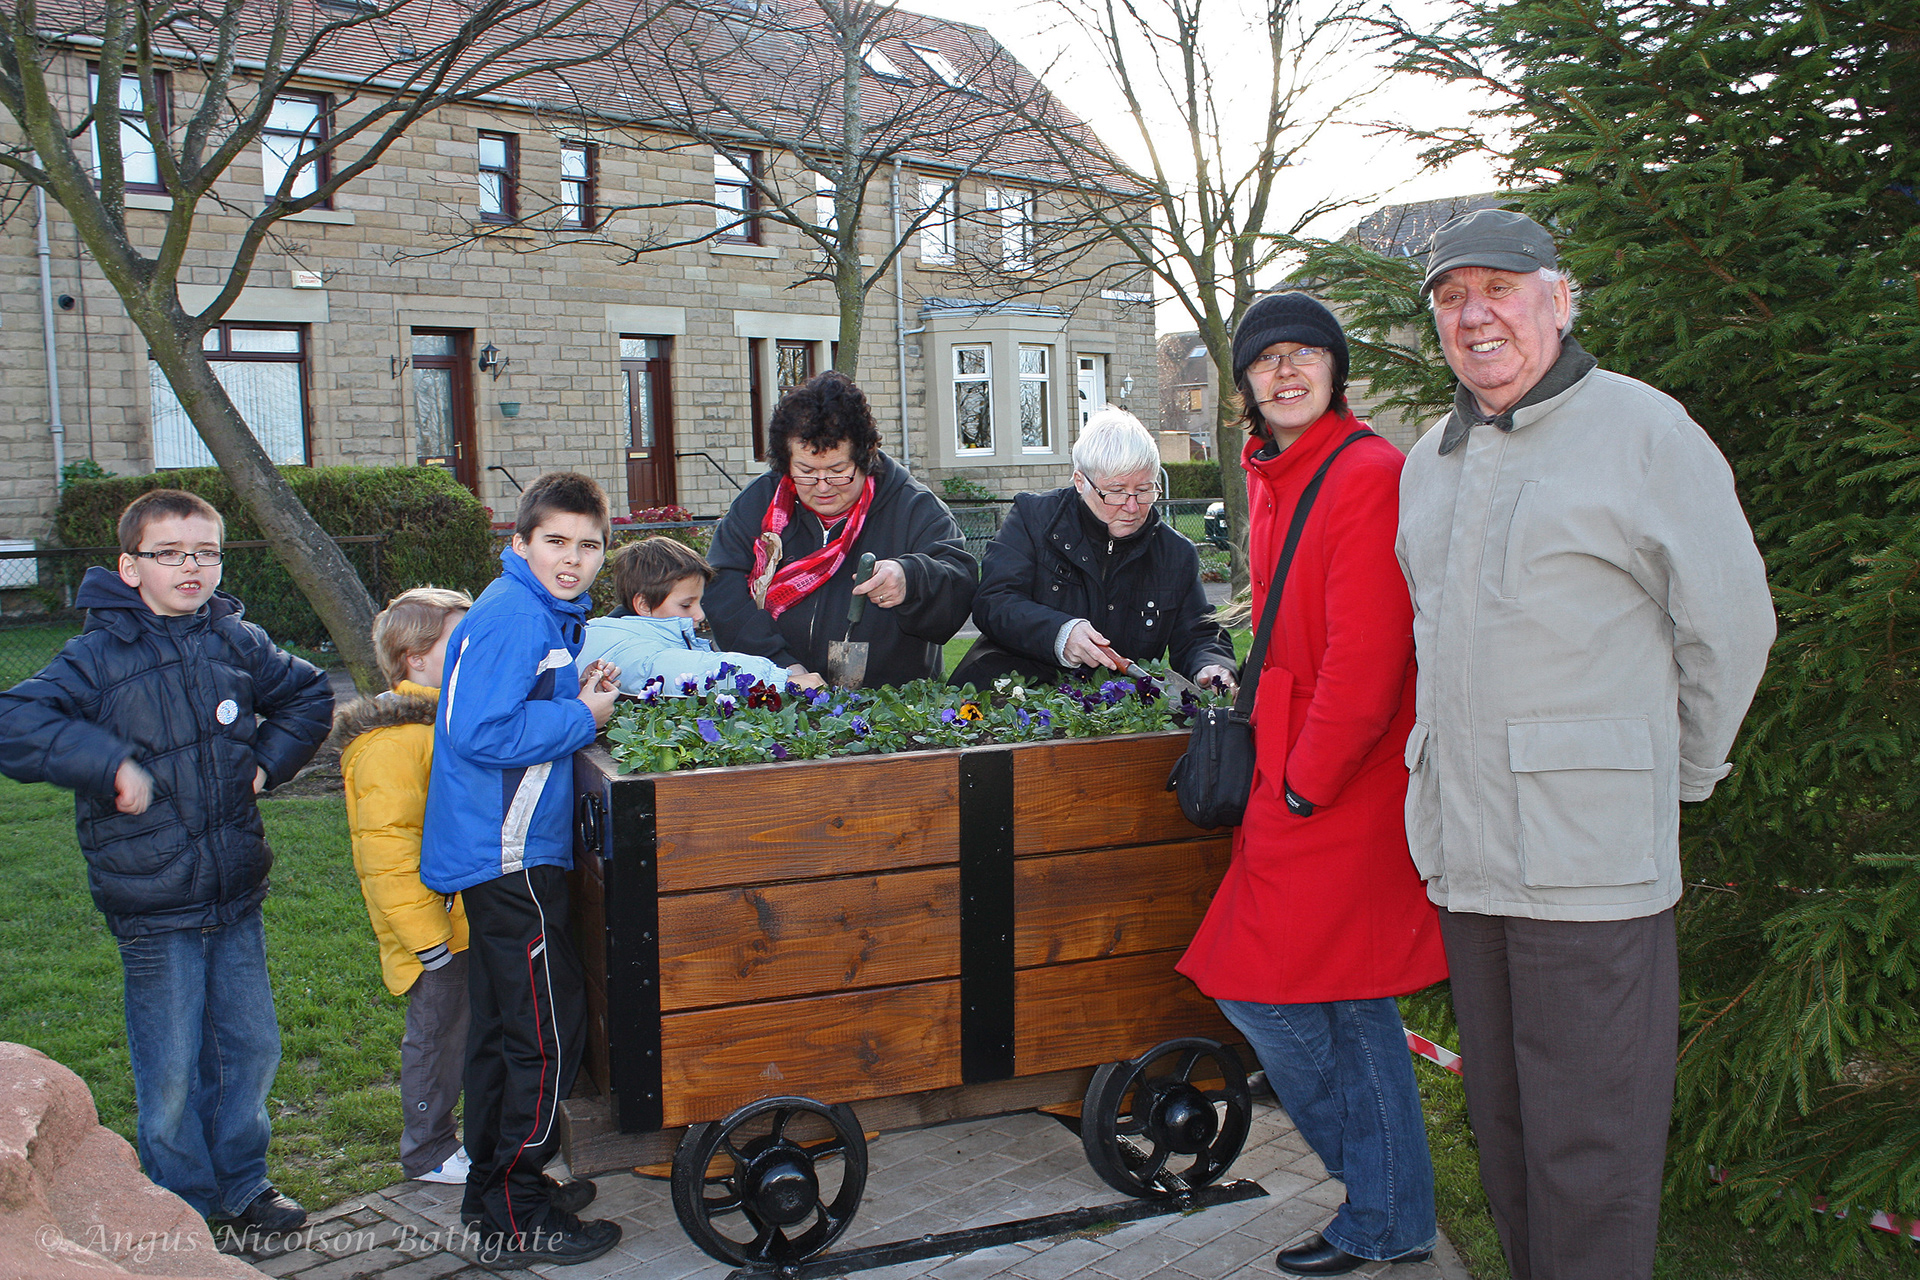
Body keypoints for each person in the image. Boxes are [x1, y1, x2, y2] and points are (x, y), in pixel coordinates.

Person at [1399, 209, 1775, 1280]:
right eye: (1452, 295)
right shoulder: (1429, 460)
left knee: (1593, 1151)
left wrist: (1680, 771)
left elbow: (1733, 625)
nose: (1476, 314)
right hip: (1472, 862)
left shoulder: (1647, 432)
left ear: (1558, 300)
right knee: (1509, 1135)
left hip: (1590, 870)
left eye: (1501, 288)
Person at [1177, 293, 1448, 1276]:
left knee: (1282, 990)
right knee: (1340, 999)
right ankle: (1391, 1212)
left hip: (1336, 778)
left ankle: (1384, 1207)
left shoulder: (1365, 471)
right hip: (1296, 764)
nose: (1287, 371)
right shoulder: (1275, 472)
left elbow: (1369, 657)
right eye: (1267, 359)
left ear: (1335, 370)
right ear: (1245, 382)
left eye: (1306, 355)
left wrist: (1303, 784)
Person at [0, 489, 332, 1238]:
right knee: (173, 1067)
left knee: (249, 1049)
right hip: (153, 907)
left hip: (234, 893)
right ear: (129, 567)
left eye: (207, 551)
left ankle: (244, 1185)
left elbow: (308, 694)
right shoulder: (96, 656)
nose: (192, 566)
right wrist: (106, 761)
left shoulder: (234, 640)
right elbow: (14, 721)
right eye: (171, 553)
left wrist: (265, 766)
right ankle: (179, 1200)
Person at [420, 472, 623, 1268]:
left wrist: (570, 689)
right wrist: (583, 715)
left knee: (509, 1030)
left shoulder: (533, 610)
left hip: (501, 853)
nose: (572, 560)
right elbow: (482, 732)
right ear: (520, 541)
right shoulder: (514, 616)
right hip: (508, 858)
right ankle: (517, 1205)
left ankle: (496, 1188)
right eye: (556, 543)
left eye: (588, 546)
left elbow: (508, 706)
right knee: (546, 1035)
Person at [332, 587, 476, 1188]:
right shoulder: (393, 743)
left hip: (465, 919)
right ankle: (428, 1150)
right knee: (436, 1039)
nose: (474, 652)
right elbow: (385, 851)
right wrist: (426, 938)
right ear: (415, 656)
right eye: (458, 644)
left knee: (464, 1031)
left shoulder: (446, 722)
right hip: (435, 932)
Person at [705, 371, 976, 686]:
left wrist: (910, 578)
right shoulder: (759, 502)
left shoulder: (914, 507)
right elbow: (722, 590)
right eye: (805, 470)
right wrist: (782, 668)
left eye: (838, 470)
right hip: (775, 691)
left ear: (864, 458)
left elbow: (958, 587)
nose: (822, 487)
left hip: (887, 705)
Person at [948, 408, 1235, 691]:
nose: (1132, 506)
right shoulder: (1034, 520)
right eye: (1117, 491)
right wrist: (1059, 633)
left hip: (1115, 713)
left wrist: (1210, 665)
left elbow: (1199, 633)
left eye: (1145, 490)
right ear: (1080, 482)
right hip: (1011, 697)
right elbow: (994, 602)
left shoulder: (1175, 553)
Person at [578, 537, 824, 692]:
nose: (699, 614)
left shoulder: (628, 632)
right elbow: (672, 668)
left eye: (699, 602)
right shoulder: (620, 643)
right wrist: (778, 680)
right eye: (686, 605)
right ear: (643, 604)